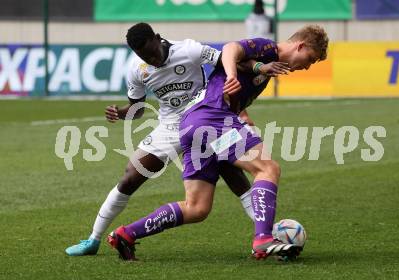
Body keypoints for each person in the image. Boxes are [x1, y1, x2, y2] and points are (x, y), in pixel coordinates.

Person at [106, 25, 329, 261]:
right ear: (301, 46)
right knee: (268, 168)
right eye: (310, 59)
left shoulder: (267, 69)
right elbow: (231, 49)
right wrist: (232, 76)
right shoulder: (269, 48)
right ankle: (263, 239)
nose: (306, 66)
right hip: (211, 117)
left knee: (197, 208)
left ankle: (126, 234)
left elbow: (235, 97)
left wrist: (244, 119)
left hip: (196, 125)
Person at [65, 22, 266, 256]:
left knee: (233, 173)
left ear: (158, 38)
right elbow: (137, 109)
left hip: (205, 117)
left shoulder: (189, 50)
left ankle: (267, 234)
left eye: (152, 53)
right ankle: (93, 239)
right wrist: (120, 112)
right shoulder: (137, 69)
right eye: (144, 57)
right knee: (130, 176)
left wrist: (258, 69)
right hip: (170, 127)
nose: (152, 60)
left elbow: (231, 60)